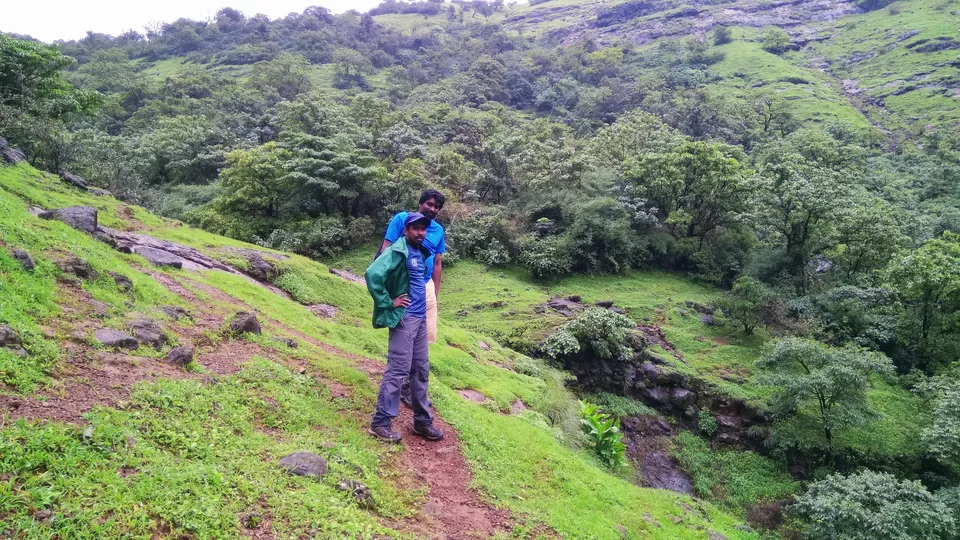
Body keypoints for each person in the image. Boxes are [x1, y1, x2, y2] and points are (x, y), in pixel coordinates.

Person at [365, 212, 444, 443]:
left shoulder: (421, 252)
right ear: (406, 230)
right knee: (398, 369)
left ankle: (422, 422)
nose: (421, 232)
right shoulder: (398, 250)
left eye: (424, 229)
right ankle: (380, 422)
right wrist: (389, 302)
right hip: (404, 318)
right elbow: (372, 274)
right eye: (416, 228)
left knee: (420, 369)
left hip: (420, 320)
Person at [379, 189, 446, 345]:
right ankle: (400, 363)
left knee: (426, 334)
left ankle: (416, 366)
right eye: (429, 204)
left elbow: (437, 263)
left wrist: (435, 293)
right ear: (420, 203)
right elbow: (386, 250)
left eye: (436, 206)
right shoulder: (402, 219)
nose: (432, 209)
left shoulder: (438, 230)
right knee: (404, 327)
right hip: (404, 282)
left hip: (426, 283)